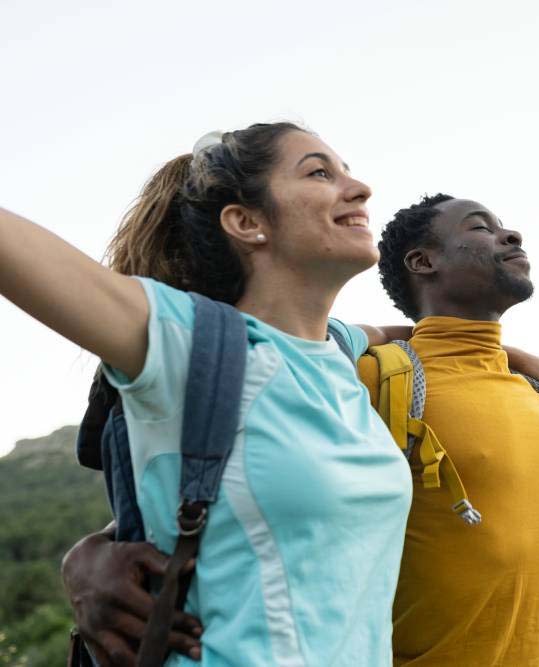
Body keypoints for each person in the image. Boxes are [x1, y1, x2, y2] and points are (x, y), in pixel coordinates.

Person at [59, 191, 539, 665]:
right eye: (480, 226)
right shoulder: (374, 377)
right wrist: (95, 550)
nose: (510, 232)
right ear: (423, 261)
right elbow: (245, 482)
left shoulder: (534, 393)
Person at [2, 122, 418, 667]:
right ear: (247, 222)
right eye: (319, 173)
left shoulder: (336, 349)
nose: (360, 188)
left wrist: (508, 356)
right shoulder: (186, 341)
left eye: (346, 171)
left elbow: (396, 333)